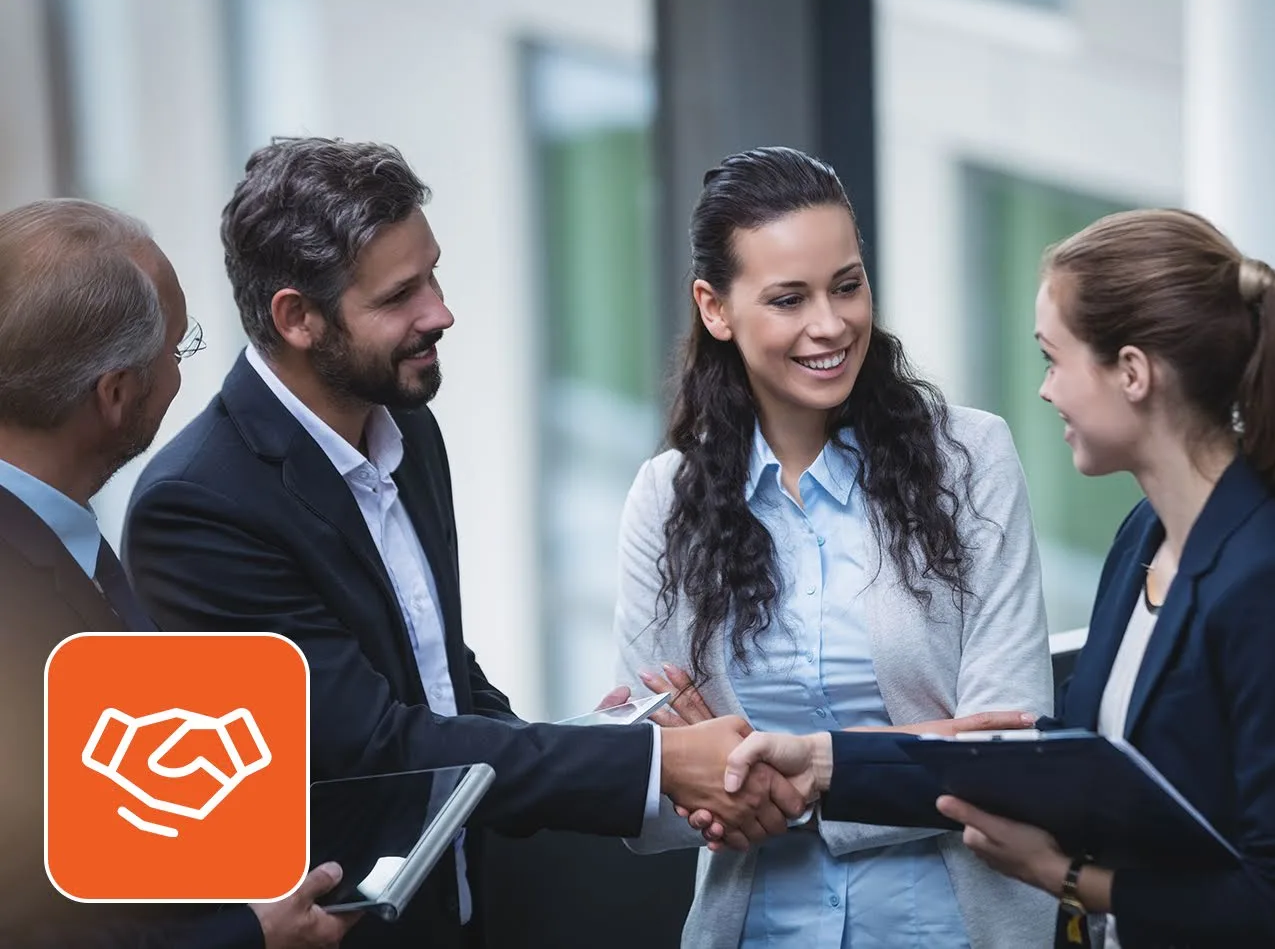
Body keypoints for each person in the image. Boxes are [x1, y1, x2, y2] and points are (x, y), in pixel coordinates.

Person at [122, 138, 803, 949]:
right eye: (400, 295)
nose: (439, 311)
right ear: (297, 318)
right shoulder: (198, 506)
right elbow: (376, 748)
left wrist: (600, 740)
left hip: (469, 912)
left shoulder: (405, 424)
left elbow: (440, 679)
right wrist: (653, 769)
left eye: (432, 274)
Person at [723, 208, 1275, 948]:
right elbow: (1068, 765)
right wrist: (824, 761)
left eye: (1054, 359)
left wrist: (1065, 877)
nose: (1046, 391)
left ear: (1133, 373)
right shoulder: (1145, 535)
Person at [613, 146, 1057, 948]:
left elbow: (1006, 755)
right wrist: (917, 750)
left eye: (846, 285)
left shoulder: (970, 460)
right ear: (715, 309)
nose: (831, 324)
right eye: (788, 299)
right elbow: (646, 795)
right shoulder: (664, 499)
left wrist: (778, 770)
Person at [0, 198, 354, 948]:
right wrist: (248, 933)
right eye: (178, 347)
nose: (181, 370)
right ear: (117, 393)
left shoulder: (57, 538)